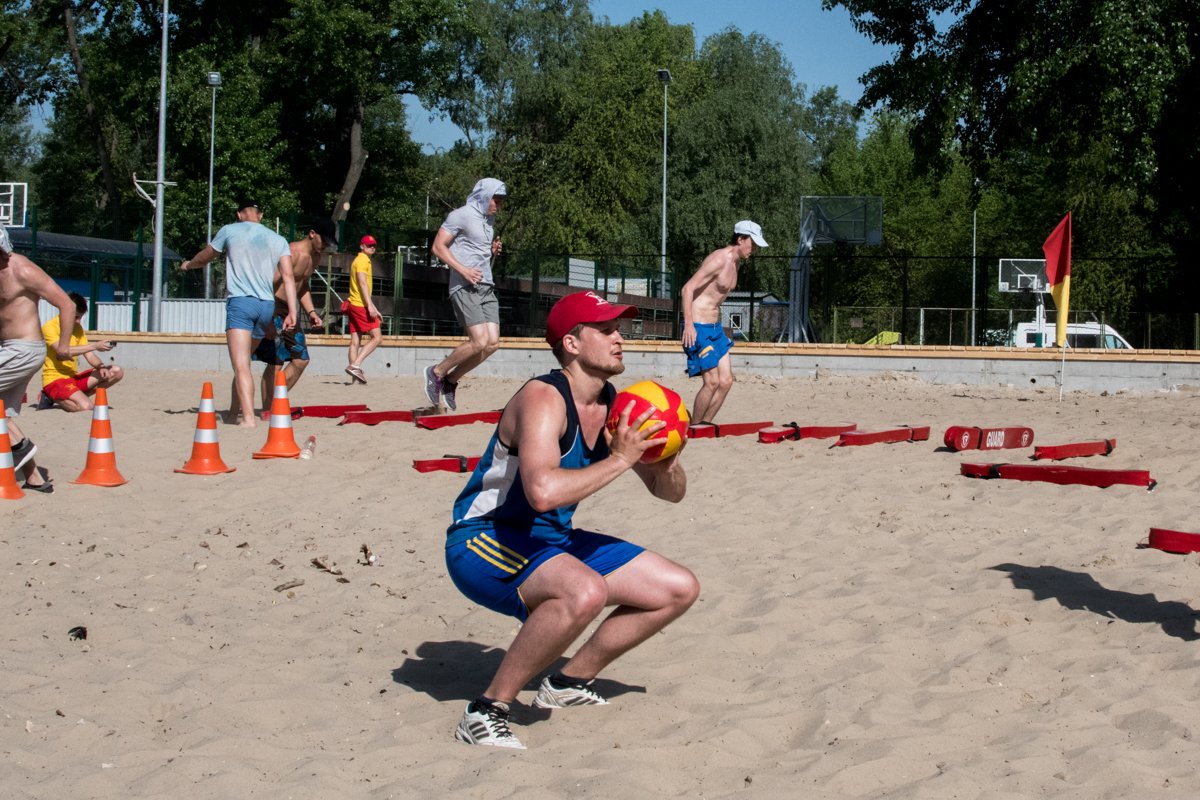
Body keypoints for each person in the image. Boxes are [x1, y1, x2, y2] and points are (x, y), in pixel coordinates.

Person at [445, 290, 700, 750]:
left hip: (551, 543)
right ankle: (486, 710)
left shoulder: (613, 405)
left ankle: (567, 682)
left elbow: (671, 495)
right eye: (605, 329)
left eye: (619, 328)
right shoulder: (542, 397)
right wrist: (622, 460)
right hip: (482, 540)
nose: (619, 338)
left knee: (678, 588)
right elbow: (541, 492)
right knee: (585, 590)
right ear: (572, 344)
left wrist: (667, 461)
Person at [180, 199, 296, 427]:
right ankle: (234, 413)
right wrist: (292, 310)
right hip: (266, 306)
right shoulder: (278, 239)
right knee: (243, 363)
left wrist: (189, 265)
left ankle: (248, 418)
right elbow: (288, 276)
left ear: (239, 215)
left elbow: (206, 256)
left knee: (241, 365)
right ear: (260, 215)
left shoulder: (229, 231)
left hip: (241, 304)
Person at [0, 226, 75, 492]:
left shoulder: (23, 270)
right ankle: (35, 478)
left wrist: (64, 344)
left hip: (23, 349)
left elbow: (67, 304)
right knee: (2, 415)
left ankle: (22, 447)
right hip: (7, 349)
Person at [238, 218, 339, 415]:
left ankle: (276, 402)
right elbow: (269, 282)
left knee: (301, 360)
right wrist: (266, 314)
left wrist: (311, 312)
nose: (326, 245)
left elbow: (302, 287)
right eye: (324, 240)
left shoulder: (315, 258)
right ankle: (268, 410)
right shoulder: (291, 252)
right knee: (275, 360)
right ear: (312, 233)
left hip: (291, 309)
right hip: (274, 305)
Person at [423, 178, 507, 410]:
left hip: (486, 285)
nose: (498, 205)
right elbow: (438, 247)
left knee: (491, 344)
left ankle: (450, 380)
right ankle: (436, 372)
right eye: (496, 199)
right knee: (478, 341)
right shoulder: (460, 214)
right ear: (484, 194)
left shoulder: (488, 221)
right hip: (464, 285)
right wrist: (463, 270)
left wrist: (491, 251)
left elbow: (473, 248)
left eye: (501, 201)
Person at [679, 220, 768, 423]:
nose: (754, 249)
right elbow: (687, 289)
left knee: (726, 381)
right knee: (712, 382)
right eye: (752, 244)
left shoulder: (735, 264)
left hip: (714, 329)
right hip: (698, 327)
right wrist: (689, 325)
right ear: (740, 239)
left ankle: (704, 425)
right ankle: (694, 428)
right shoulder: (719, 259)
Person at [39, 292, 124, 412]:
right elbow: (62, 352)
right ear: (65, 311)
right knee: (86, 407)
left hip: (73, 378)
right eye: (75, 317)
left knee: (116, 371)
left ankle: (78, 395)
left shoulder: (77, 328)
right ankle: (51, 396)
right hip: (55, 379)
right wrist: (94, 346)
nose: (79, 321)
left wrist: (101, 367)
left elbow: (89, 355)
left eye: (81, 317)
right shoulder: (50, 327)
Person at [343, 234, 382, 384]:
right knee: (377, 338)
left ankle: (355, 377)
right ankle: (355, 365)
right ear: (362, 246)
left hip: (353, 303)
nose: (372, 247)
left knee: (355, 341)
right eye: (368, 245)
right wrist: (371, 305)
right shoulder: (361, 261)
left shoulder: (359, 260)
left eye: (373, 245)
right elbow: (362, 283)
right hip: (360, 305)